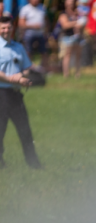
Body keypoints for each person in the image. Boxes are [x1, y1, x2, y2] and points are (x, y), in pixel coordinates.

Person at [0, 15, 42, 169]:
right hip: (1, 94)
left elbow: (26, 67)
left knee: (25, 130)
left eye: (8, 27)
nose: (6, 30)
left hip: (16, 95)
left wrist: (26, 76)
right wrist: (13, 79)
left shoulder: (18, 47)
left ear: (13, 29)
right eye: (3, 27)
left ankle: (34, 164)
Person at [58, 0, 84, 78]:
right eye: (69, 4)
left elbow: (82, 23)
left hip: (76, 37)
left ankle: (77, 73)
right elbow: (65, 25)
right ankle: (66, 74)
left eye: (72, 4)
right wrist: (76, 23)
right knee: (67, 55)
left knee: (77, 55)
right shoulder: (63, 14)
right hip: (67, 37)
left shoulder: (77, 13)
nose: (70, 5)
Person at [19, 0, 48, 69]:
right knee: (28, 52)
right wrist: (34, 26)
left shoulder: (42, 8)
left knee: (44, 52)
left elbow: (46, 21)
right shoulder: (25, 9)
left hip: (41, 34)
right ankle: (28, 68)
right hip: (29, 34)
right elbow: (21, 24)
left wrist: (47, 31)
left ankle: (44, 69)